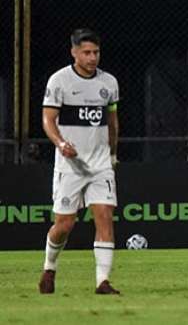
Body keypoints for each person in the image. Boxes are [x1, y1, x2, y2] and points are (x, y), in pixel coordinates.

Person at [38, 29, 120, 295]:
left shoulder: (109, 82)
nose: (92, 57)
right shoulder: (59, 81)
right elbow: (48, 119)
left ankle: (102, 282)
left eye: (96, 52)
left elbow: (112, 121)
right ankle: (49, 268)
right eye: (86, 52)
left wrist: (113, 153)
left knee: (105, 217)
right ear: (74, 52)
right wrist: (61, 144)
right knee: (64, 225)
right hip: (70, 165)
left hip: (100, 164)